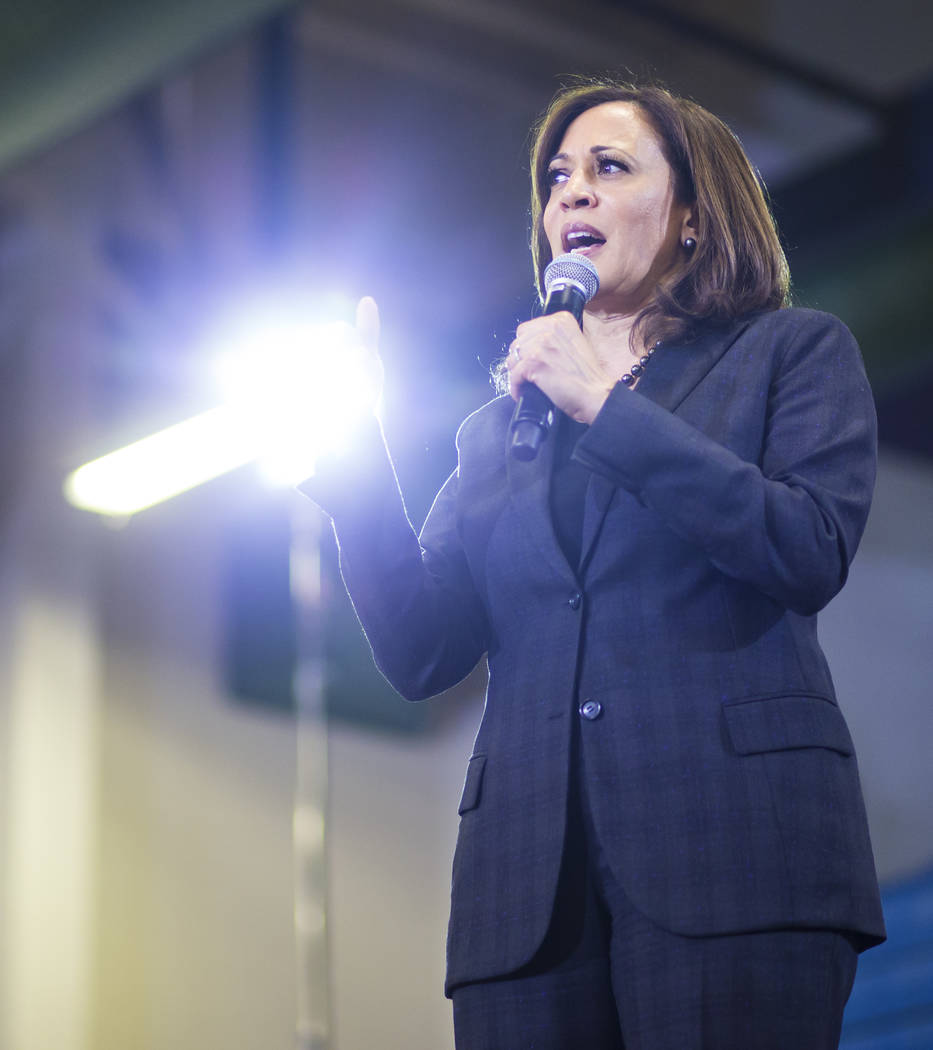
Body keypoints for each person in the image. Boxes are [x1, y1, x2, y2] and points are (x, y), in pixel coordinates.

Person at [301, 79, 886, 1050]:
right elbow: (420, 651)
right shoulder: (498, 431)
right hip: (528, 897)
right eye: (557, 176)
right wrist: (357, 461)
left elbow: (807, 546)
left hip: (735, 860)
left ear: (692, 216)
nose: (570, 192)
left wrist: (606, 406)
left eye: (609, 168)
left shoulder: (790, 354)